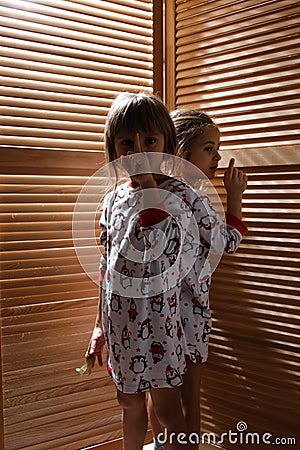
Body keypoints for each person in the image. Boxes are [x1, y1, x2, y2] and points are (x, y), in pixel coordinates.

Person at [86, 92, 195, 450]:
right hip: (121, 324)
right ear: (114, 149)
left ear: (167, 142)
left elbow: (166, 244)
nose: (138, 150)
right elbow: (107, 266)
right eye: (126, 143)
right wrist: (99, 325)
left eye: (149, 140)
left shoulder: (179, 194)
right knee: (129, 404)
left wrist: (149, 186)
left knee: (167, 409)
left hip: (161, 323)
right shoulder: (112, 199)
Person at [148, 109, 248, 450]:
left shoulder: (154, 193)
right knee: (190, 392)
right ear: (182, 152)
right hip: (188, 315)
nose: (218, 156)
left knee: (157, 389)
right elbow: (225, 242)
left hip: (154, 314)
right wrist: (234, 196)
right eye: (209, 148)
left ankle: (162, 446)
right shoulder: (194, 197)